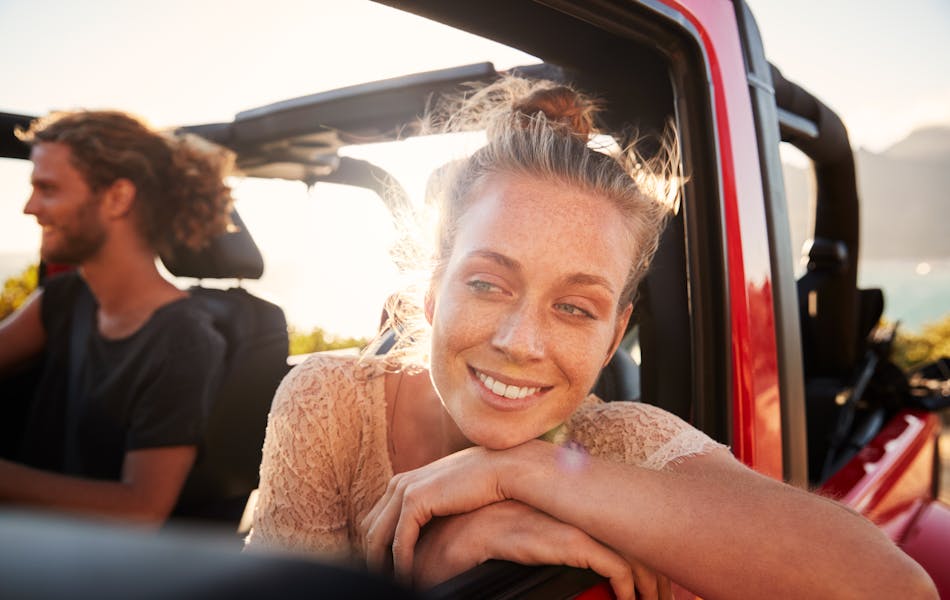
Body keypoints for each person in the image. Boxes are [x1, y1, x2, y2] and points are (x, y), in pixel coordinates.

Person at [245, 78, 937, 599]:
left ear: (614, 340)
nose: (522, 342)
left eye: (575, 308)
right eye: (488, 284)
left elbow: (894, 588)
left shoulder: (618, 446)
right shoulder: (330, 402)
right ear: (432, 291)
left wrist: (526, 470)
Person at [0, 110, 232, 526]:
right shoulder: (65, 297)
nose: (29, 207)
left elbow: (140, 507)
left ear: (117, 198)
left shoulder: (183, 339)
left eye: (47, 189)